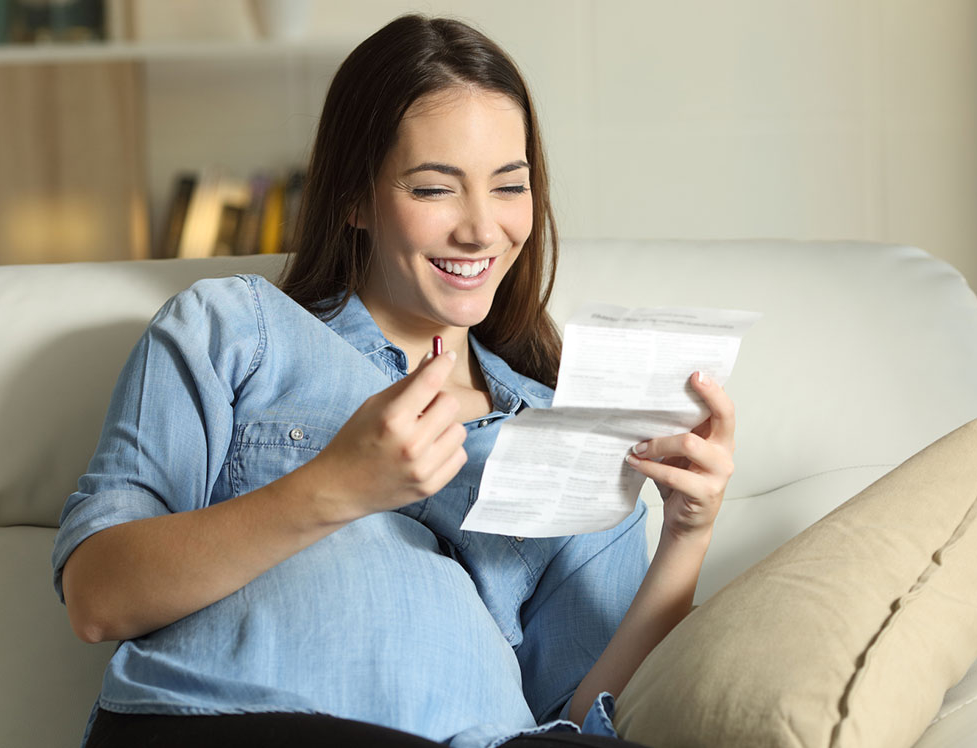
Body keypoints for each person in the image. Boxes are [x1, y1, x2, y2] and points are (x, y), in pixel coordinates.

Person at [52, 14, 735, 748]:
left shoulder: (570, 433)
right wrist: (338, 486)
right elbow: (99, 597)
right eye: (435, 189)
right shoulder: (236, 329)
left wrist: (685, 538)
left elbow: (579, 712)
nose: (481, 229)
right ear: (354, 198)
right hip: (227, 720)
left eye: (509, 187)